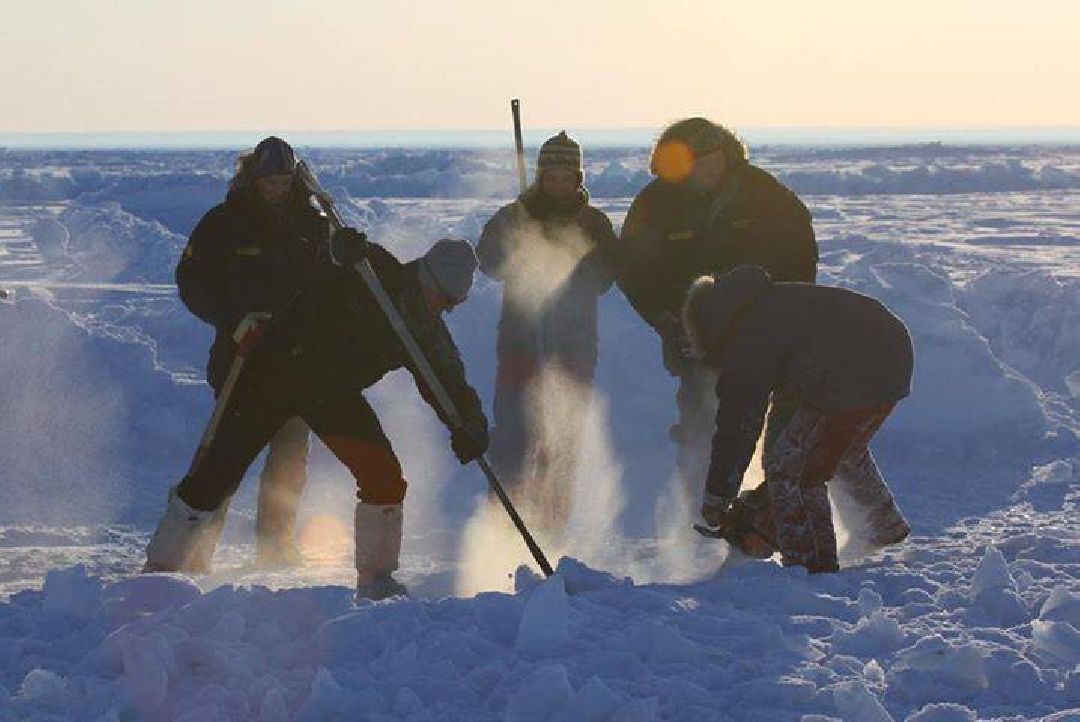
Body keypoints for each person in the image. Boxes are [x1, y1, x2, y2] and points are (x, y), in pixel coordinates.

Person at [146, 235, 490, 599]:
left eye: (455, 304)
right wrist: (339, 248)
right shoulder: (369, 267)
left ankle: (377, 579)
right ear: (426, 277)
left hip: (331, 394)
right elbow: (317, 255)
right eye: (445, 299)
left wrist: (469, 424)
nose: (445, 309)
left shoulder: (426, 330)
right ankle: (163, 570)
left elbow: (447, 381)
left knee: (383, 476)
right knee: (218, 472)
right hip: (274, 374)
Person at [612, 117, 818, 508]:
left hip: (763, 331)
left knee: (764, 421)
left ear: (727, 156)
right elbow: (633, 270)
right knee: (701, 423)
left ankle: (765, 513)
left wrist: (784, 316)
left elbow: (800, 258)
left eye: (713, 159)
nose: (706, 169)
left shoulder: (765, 196)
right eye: (695, 162)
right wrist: (664, 317)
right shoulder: (656, 203)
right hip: (694, 334)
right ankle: (702, 509)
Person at [682, 265, 913, 572]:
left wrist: (717, 496)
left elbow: (738, 427)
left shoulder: (748, 336)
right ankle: (883, 532)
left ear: (708, 328)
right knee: (836, 453)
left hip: (851, 370)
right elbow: (784, 411)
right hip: (889, 357)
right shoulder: (767, 307)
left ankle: (811, 566)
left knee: (793, 470)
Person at [176, 136, 329, 568]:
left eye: (284, 181)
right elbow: (190, 279)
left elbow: (330, 283)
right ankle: (194, 547)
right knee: (225, 456)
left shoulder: (313, 224)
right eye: (269, 182)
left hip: (295, 361)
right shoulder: (224, 223)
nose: (277, 190)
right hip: (240, 357)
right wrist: (230, 317)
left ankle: (275, 546)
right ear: (253, 179)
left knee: (290, 456)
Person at [477, 131, 616, 529]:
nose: (557, 185)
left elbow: (606, 277)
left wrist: (569, 264)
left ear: (578, 179)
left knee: (561, 442)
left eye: (565, 177)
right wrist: (519, 249)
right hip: (519, 343)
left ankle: (551, 528)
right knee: (511, 439)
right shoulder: (513, 216)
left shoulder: (594, 223)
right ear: (540, 177)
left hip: (574, 348)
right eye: (550, 177)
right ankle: (503, 525)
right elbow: (488, 261)